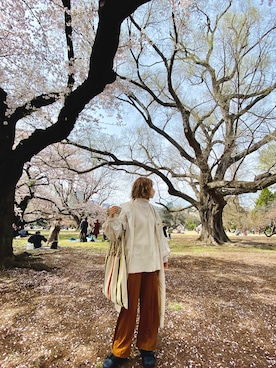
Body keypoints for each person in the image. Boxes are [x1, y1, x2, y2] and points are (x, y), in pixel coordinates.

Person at [102, 177, 170, 368]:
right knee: (128, 309)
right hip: (132, 266)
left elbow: (160, 235)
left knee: (150, 308)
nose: (154, 191)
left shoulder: (153, 210)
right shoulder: (127, 208)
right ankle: (119, 351)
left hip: (152, 264)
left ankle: (147, 348)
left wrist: (164, 257)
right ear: (145, 188)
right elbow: (115, 234)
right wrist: (112, 217)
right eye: (152, 187)